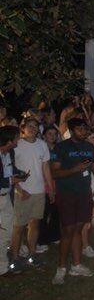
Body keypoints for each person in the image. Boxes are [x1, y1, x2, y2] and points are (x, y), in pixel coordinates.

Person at [50, 117, 94, 284]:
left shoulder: (90, 147)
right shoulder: (61, 147)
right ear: (71, 131)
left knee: (78, 230)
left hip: (84, 193)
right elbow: (54, 173)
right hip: (67, 194)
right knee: (68, 231)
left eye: (85, 128)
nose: (84, 131)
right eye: (80, 129)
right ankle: (61, 268)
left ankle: (76, 265)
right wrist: (74, 169)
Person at [9, 117, 53, 272]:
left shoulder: (42, 145)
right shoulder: (16, 145)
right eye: (29, 126)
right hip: (22, 191)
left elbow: (46, 167)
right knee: (18, 226)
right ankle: (14, 257)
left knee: (34, 224)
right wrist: (19, 189)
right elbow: (10, 170)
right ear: (23, 128)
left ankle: (32, 254)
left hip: (39, 190)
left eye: (35, 126)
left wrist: (50, 188)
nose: (33, 128)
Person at [0, 125, 21, 277]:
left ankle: (3, 267)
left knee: (6, 232)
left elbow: (10, 169)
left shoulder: (10, 153)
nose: (18, 140)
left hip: (6, 197)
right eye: (17, 137)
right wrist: (10, 180)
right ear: (9, 140)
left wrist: (19, 174)